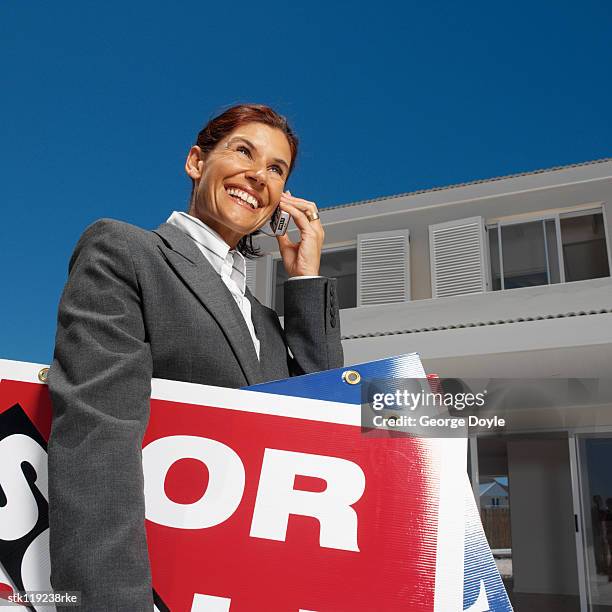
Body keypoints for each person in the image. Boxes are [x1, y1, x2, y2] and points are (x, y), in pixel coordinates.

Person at [47, 104, 344, 610]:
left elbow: (322, 422)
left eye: (276, 169)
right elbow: (96, 436)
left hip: (245, 588)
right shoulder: (124, 250)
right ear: (196, 162)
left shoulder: (267, 323)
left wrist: (305, 279)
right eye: (244, 151)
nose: (258, 174)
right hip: (151, 584)